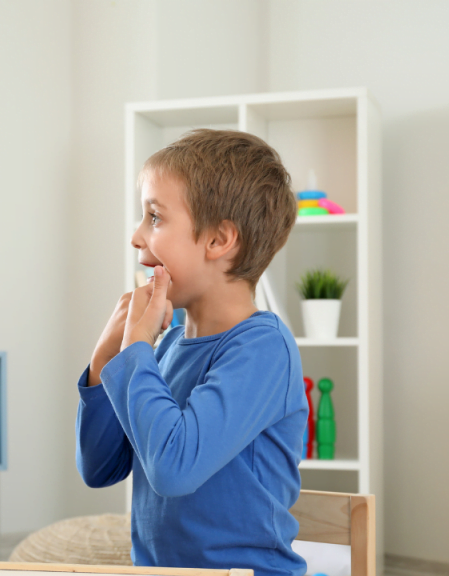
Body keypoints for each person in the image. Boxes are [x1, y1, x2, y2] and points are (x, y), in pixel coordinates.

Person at [76, 129, 307, 576]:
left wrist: (137, 350)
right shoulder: (168, 344)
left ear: (219, 241)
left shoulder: (263, 349)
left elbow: (174, 469)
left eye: (155, 218)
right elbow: (100, 467)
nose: (136, 237)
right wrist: (107, 357)